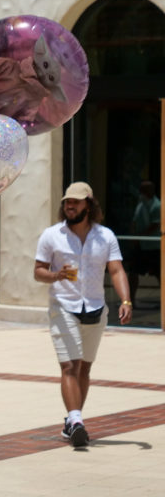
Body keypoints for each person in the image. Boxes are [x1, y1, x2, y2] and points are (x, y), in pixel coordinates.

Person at [33, 182, 132, 448]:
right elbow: (38, 271)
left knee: (85, 367)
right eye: (67, 202)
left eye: (75, 202)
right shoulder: (52, 235)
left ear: (88, 204)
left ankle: (72, 421)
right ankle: (76, 421)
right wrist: (56, 275)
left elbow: (116, 270)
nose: (70, 206)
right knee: (69, 365)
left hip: (95, 308)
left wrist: (125, 300)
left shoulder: (105, 236)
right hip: (63, 306)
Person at [130, 180, 160, 300]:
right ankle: (130, 300)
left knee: (159, 274)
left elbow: (155, 225)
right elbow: (134, 220)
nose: (141, 193)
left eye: (144, 190)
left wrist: (140, 236)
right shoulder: (141, 204)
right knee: (133, 273)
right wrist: (133, 234)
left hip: (153, 247)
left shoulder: (157, 205)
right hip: (141, 246)